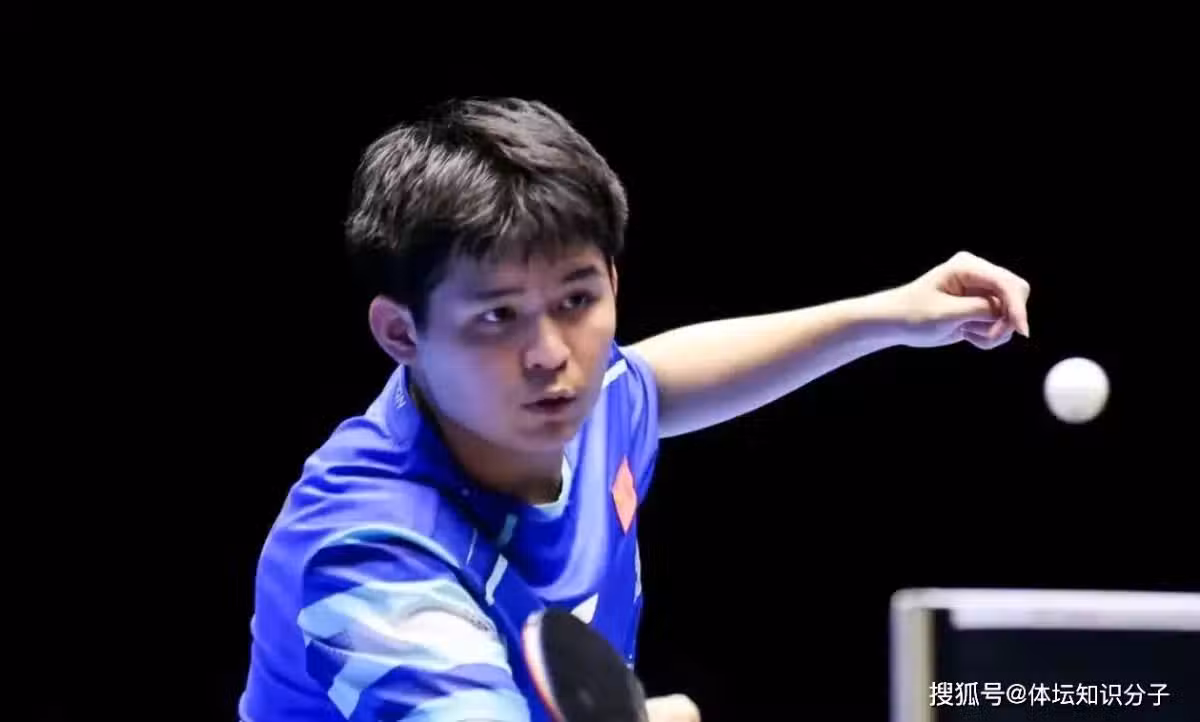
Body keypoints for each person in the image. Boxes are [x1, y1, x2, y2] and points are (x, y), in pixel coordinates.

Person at [238, 97, 1030, 722]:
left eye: (576, 299)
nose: (551, 352)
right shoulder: (365, 550)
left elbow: (651, 381)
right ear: (400, 333)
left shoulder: (578, 402)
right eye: (497, 316)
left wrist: (888, 315)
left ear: (612, 283)